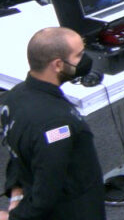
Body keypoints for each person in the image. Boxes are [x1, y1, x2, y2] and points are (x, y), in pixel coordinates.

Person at [0, 27, 105, 220]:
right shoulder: (57, 124)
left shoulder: (12, 97)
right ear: (57, 65)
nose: (85, 60)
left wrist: (17, 195)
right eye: (79, 55)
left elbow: (16, 153)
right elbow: (47, 191)